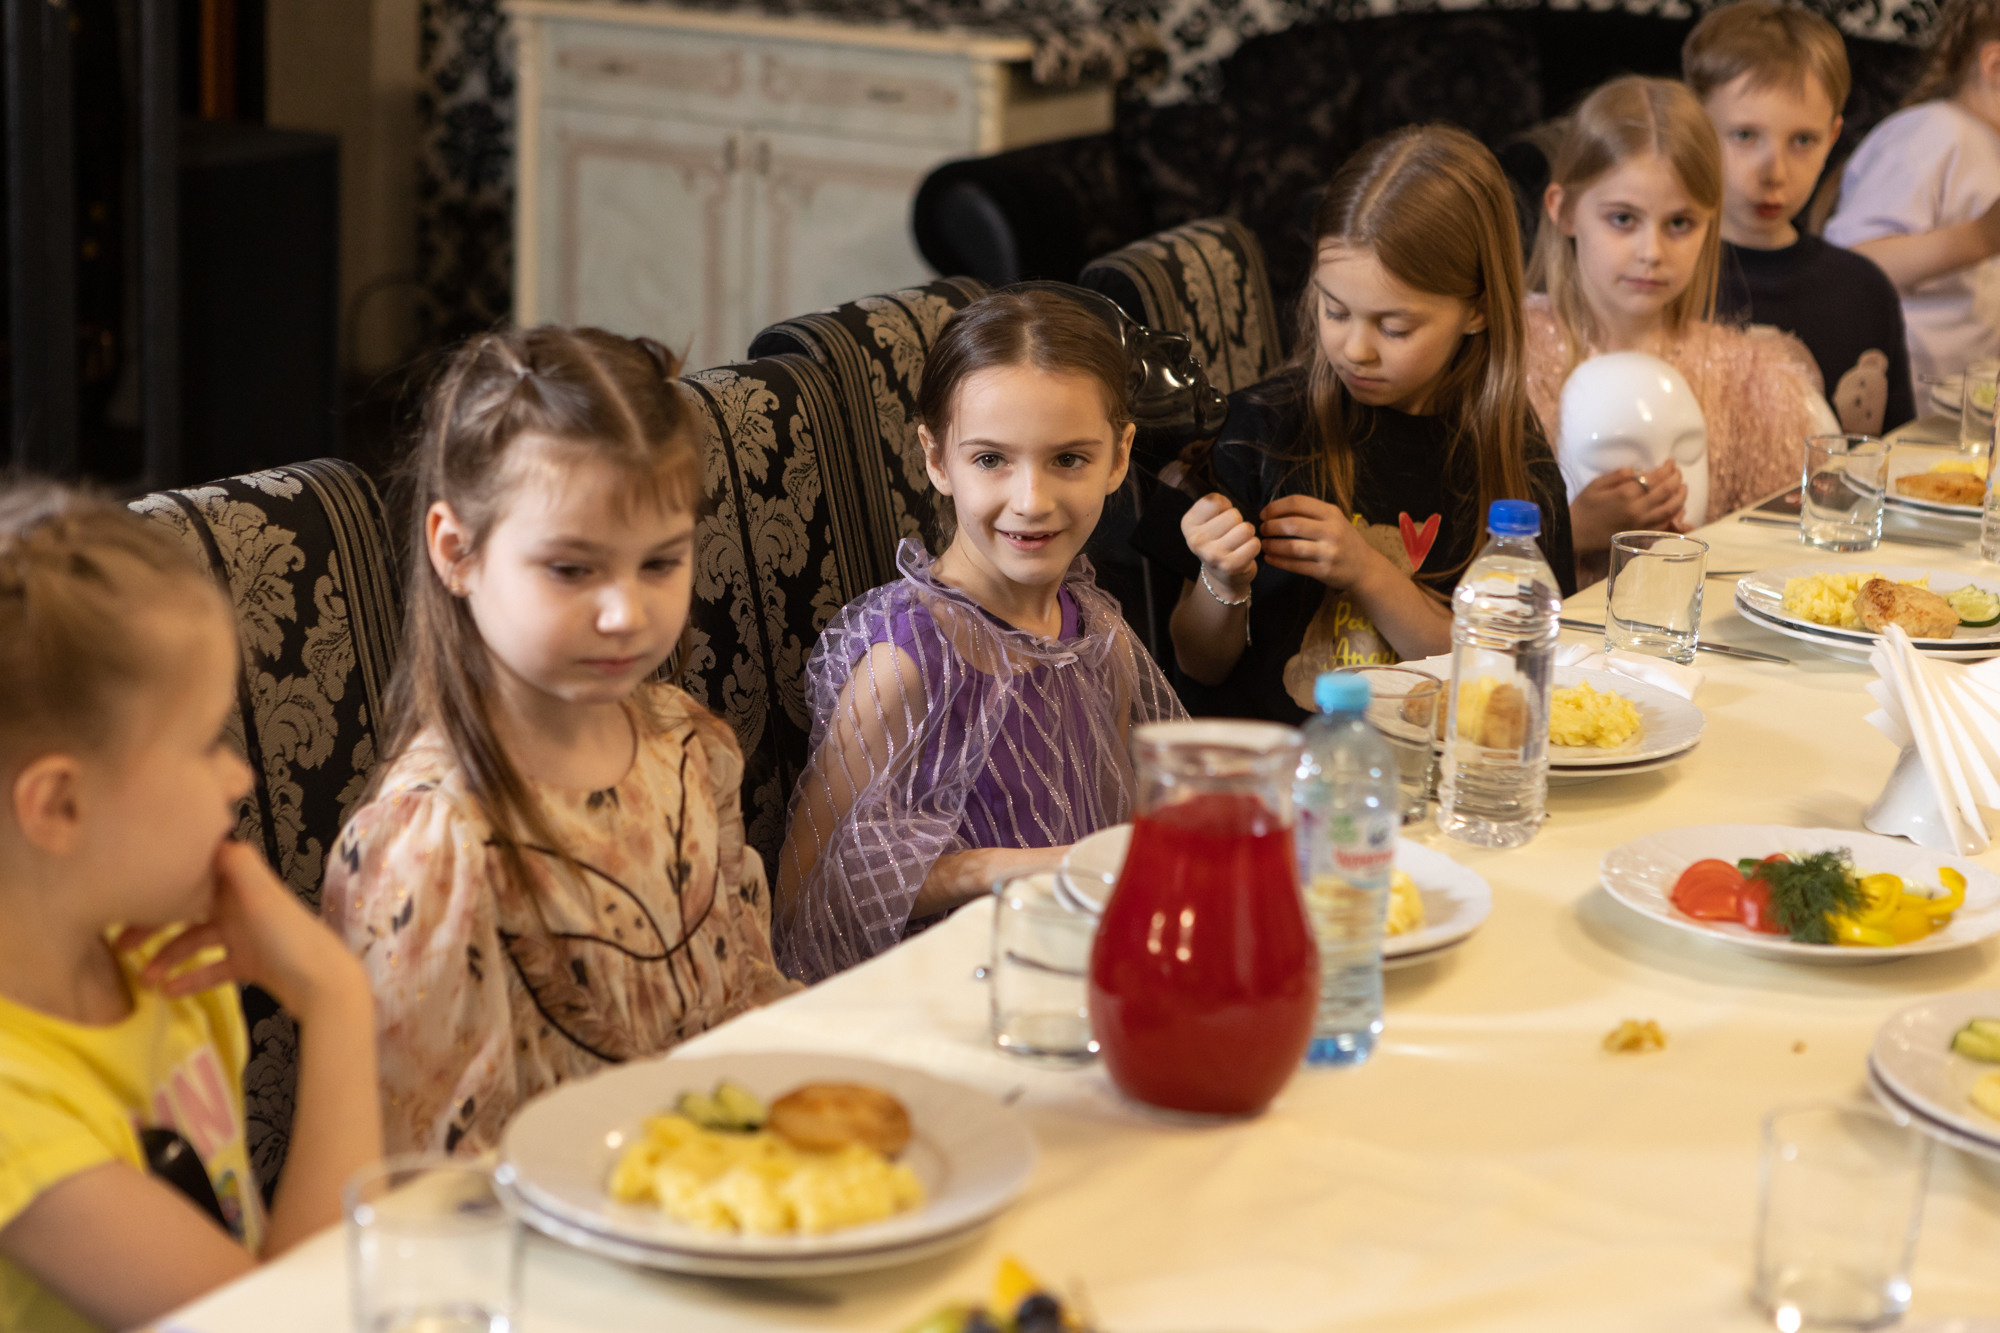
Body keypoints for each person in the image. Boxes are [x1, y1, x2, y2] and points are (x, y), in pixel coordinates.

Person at [321, 327, 795, 1156]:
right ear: (457, 551)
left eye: (660, 563)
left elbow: (749, 1003)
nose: (625, 613)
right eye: (573, 570)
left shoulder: (688, 744)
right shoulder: (434, 841)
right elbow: (428, 1170)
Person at [0, 484, 380, 1332]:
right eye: (207, 742)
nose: (240, 776)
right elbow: (293, 1321)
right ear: (59, 805)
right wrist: (338, 998)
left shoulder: (160, 950)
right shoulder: (14, 1114)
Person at [775, 288, 1185, 983]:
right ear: (937, 458)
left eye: (1069, 459)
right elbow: (804, 903)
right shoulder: (904, 665)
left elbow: (1115, 833)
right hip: (942, 992)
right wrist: (988, 869)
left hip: (1074, 971)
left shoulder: (1097, 638)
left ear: (1119, 457)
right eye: (991, 459)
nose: (1031, 501)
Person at [1130, 125, 1576, 719]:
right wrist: (1222, 582)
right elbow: (1197, 664)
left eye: (1394, 327)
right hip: (1281, 758)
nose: (1355, 350)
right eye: (1334, 310)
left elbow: (1504, 676)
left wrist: (1369, 572)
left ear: (1478, 310)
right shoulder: (1259, 432)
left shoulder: (1509, 451)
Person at [1527, 75, 1837, 542]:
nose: (1651, 252)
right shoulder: (1507, 361)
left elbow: (1787, 549)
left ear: (1710, 222)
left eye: (1679, 223)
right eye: (1623, 219)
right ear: (1564, 210)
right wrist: (1572, 532)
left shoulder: (1754, 387)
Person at [1684, 0, 1916, 435]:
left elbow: (1897, 452)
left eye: (1803, 140)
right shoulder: (1662, 278)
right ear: (1696, 128)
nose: (1775, 173)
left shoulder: (1865, 290)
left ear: (1832, 137)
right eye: (1745, 135)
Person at [1825, 0, 2000, 403]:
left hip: (1964, 408)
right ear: (1995, 67)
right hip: (1900, 405)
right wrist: (1981, 237)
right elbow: (1851, 264)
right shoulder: (1934, 132)